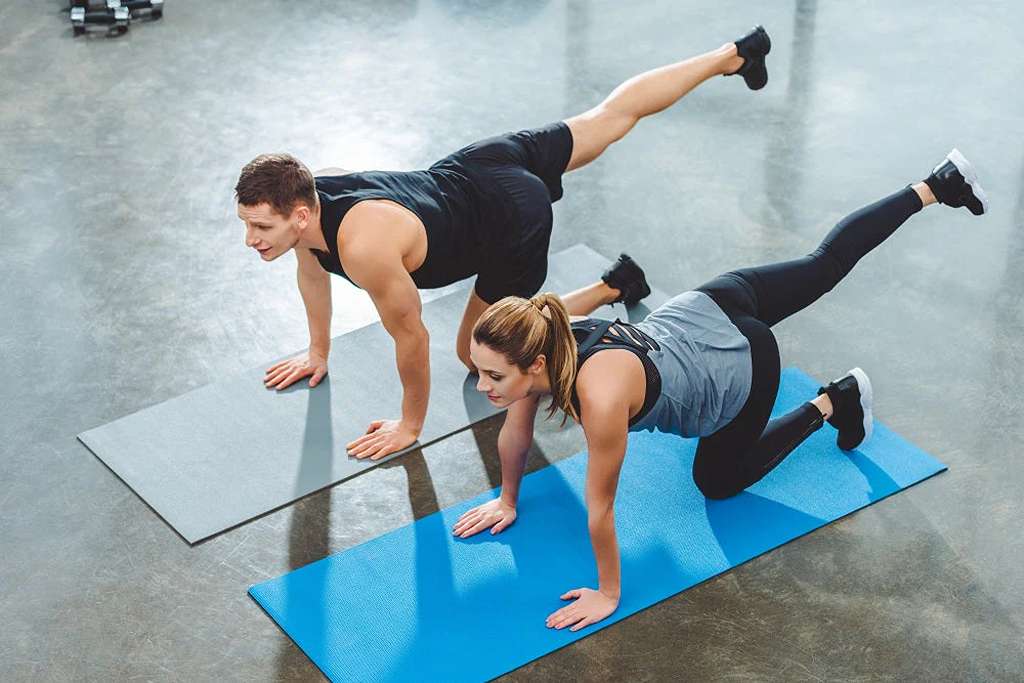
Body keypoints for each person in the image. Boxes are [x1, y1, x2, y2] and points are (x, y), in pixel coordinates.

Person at [454, 149, 988, 631]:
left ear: (535, 364)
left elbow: (600, 506)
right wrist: (506, 499)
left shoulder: (600, 397)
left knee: (716, 480)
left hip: (742, 360)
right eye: (481, 372)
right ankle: (936, 185)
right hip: (711, 303)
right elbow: (515, 436)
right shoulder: (544, 332)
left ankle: (834, 401)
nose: (484, 386)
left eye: (494, 377)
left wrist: (608, 592)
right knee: (822, 263)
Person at [233, 26, 774, 460]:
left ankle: (610, 288)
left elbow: (412, 338)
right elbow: (311, 270)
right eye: (248, 224)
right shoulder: (314, 193)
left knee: (476, 355)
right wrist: (318, 352)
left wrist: (410, 426)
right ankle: (732, 54)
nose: (250, 239)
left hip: (511, 224)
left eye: (261, 228)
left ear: (298, 215)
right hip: (481, 165)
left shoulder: (364, 249)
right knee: (608, 119)